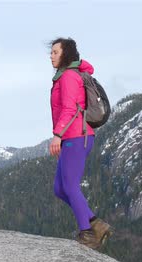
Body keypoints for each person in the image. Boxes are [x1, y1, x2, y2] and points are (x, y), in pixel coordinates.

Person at [48, 37, 113, 250]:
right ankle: (95, 223)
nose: (51, 56)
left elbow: (69, 109)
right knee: (60, 188)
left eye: (55, 52)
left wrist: (57, 135)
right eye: (51, 52)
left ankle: (87, 233)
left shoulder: (68, 77)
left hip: (77, 136)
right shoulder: (65, 76)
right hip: (73, 136)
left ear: (65, 53)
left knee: (70, 185)